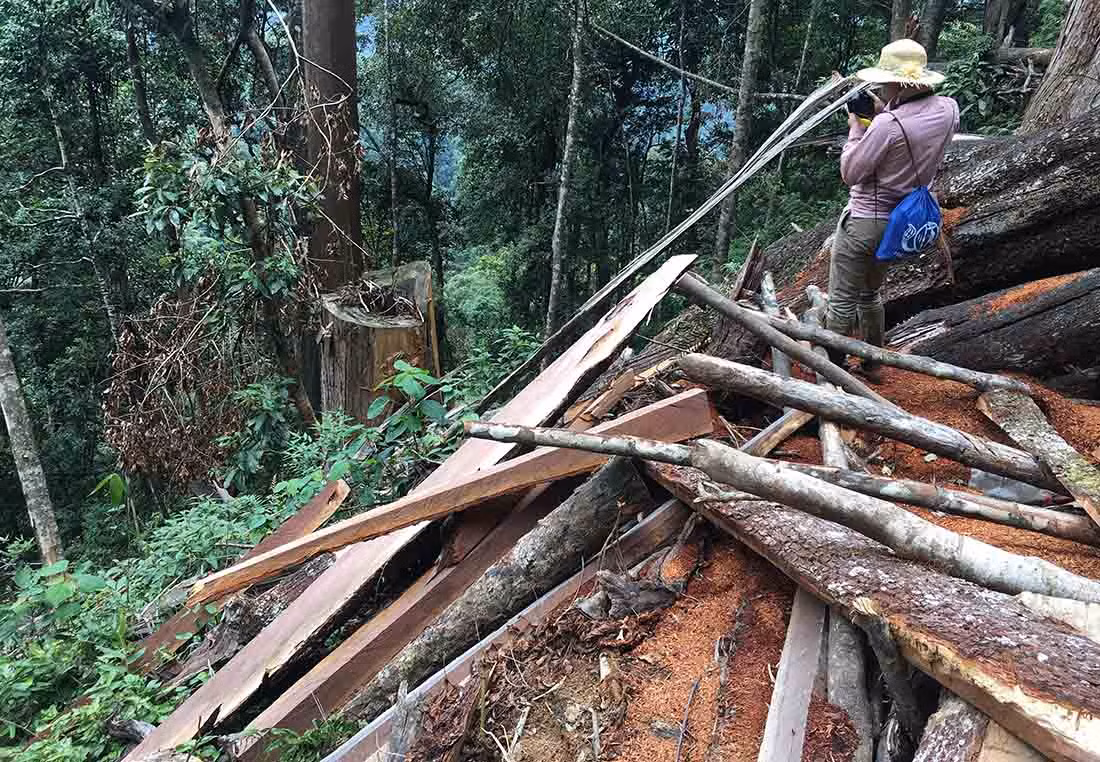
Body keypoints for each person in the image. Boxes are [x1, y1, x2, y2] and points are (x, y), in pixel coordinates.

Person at [828, 39, 959, 380]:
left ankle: (832, 370)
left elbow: (851, 172)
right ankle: (873, 365)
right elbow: (915, 132)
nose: (882, 88)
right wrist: (886, 112)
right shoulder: (949, 109)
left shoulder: (888, 125)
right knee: (870, 294)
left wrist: (857, 130)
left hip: (865, 221)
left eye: (886, 82)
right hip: (900, 222)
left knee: (841, 300)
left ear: (900, 84)